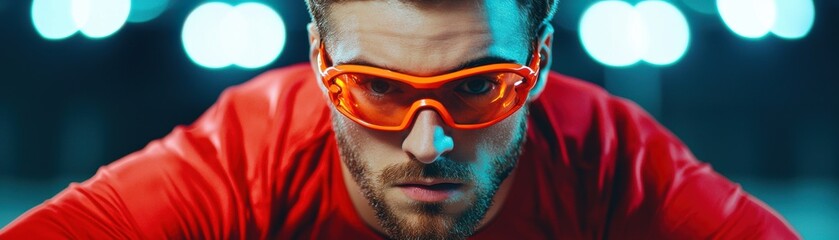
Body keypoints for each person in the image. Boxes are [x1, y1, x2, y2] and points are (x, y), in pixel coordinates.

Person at [1, 0, 799, 239]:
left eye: (477, 88)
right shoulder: (241, 160)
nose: (428, 142)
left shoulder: (612, 159)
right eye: (376, 89)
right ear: (318, 63)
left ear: (541, 64)